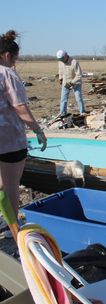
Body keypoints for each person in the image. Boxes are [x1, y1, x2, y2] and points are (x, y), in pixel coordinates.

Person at [0, 30, 47, 229]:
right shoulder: (7, 74)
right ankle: (13, 227)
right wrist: (38, 130)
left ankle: (5, 220)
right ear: (8, 56)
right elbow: (20, 107)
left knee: (1, 184)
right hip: (9, 140)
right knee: (11, 186)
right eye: (15, 58)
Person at [56, 49, 85, 115]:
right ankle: (62, 113)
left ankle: (82, 112)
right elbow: (60, 71)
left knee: (78, 98)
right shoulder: (60, 62)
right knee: (63, 99)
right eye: (60, 59)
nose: (62, 60)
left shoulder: (74, 62)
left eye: (62, 58)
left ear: (66, 55)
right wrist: (60, 78)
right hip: (65, 83)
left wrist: (72, 83)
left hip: (76, 83)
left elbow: (79, 75)